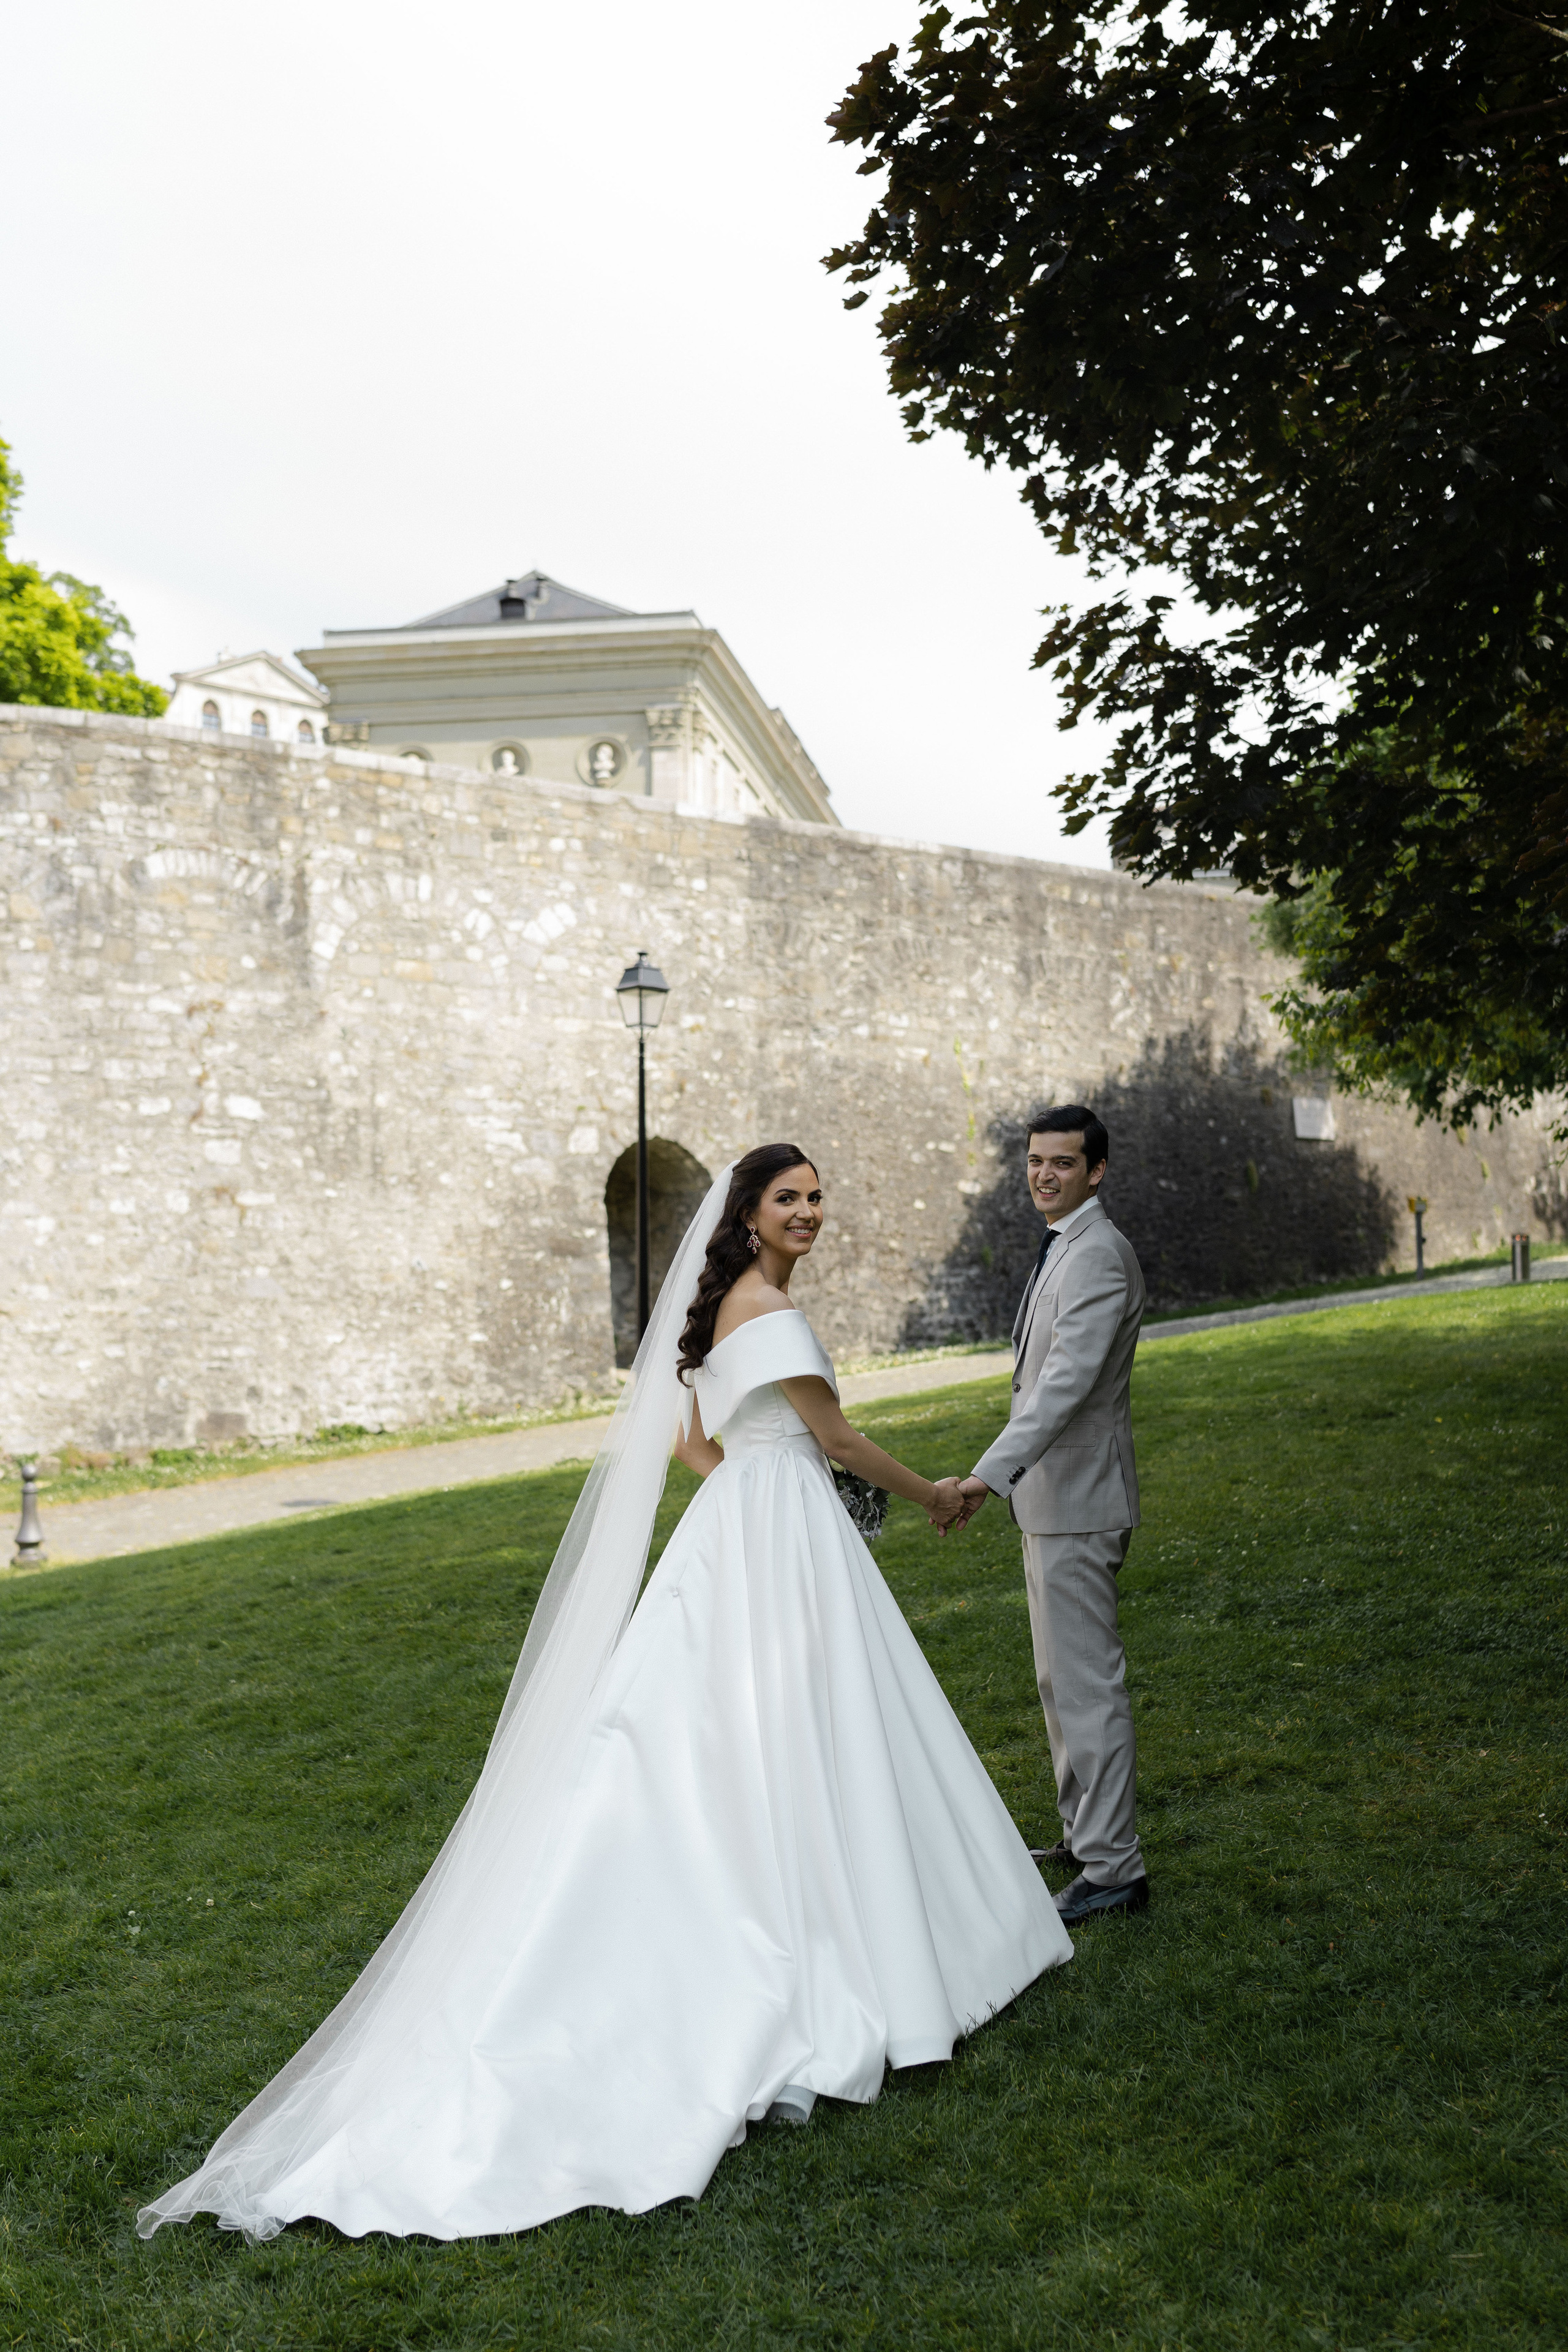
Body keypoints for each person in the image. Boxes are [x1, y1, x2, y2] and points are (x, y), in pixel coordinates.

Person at [137, 1144, 1072, 2245]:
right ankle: (842, 1937)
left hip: (734, 1530)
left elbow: (691, 1442)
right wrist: (930, 1497)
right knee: (811, 1721)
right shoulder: (771, 1313)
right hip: (780, 1534)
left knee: (735, 1730)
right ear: (748, 1213)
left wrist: (757, 1488)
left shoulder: (712, 1314)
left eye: (819, 1197)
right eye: (790, 1198)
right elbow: (836, 1439)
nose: (811, 1212)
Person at [957, 1108, 1149, 1927]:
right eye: (1036, 1161)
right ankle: (1085, 1835)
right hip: (1053, 1500)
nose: (1044, 1174)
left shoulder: (1097, 1252)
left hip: (1078, 1500)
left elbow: (1064, 1385)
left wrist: (987, 1476)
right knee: (1057, 1682)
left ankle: (1115, 1869)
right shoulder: (1064, 1243)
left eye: (1063, 1163)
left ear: (1095, 1171)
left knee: (1086, 1686)